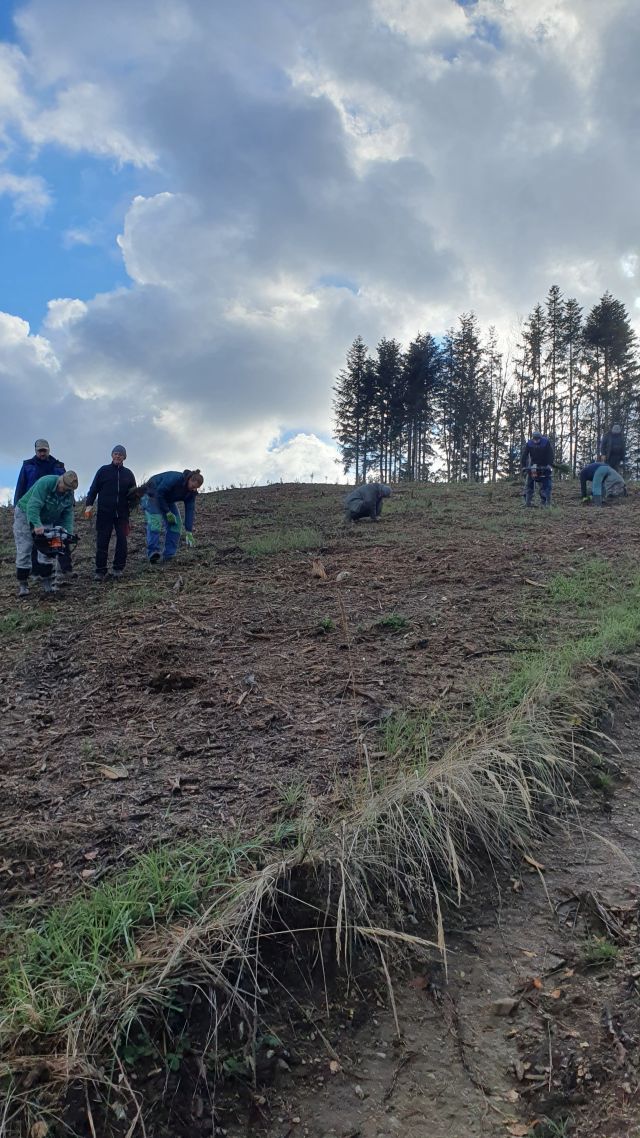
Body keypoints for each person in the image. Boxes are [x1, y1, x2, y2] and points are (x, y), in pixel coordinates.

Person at [13, 439, 72, 582]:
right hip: (28, 508)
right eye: (40, 451)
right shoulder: (28, 466)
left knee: (50, 543)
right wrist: (17, 506)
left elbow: (68, 511)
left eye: (44, 450)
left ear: (49, 450)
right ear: (35, 451)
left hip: (49, 510)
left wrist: (68, 532)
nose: (42, 453)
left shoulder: (58, 467)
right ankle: (28, 577)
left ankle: (50, 576)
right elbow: (22, 487)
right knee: (27, 544)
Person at [13, 471, 78, 597]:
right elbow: (33, 505)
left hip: (47, 518)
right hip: (25, 513)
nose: (64, 490)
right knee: (25, 548)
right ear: (60, 480)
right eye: (64, 486)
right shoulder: (46, 482)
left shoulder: (69, 494)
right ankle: (23, 584)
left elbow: (67, 514)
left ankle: (47, 583)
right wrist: (37, 525)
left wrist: (67, 533)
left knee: (48, 551)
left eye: (68, 489)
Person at [84, 445, 137, 581]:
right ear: (112, 455)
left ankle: (118, 569)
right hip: (104, 513)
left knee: (122, 541)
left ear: (124, 457)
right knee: (102, 541)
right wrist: (89, 505)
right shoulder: (103, 471)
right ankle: (100, 571)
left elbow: (133, 494)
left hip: (122, 514)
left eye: (120, 454)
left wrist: (136, 500)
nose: (118, 456)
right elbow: (93, 489)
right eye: (115, 453)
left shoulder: (128, 474)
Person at [139, 469, 204, 563]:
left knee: (176, 525)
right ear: (190, 479)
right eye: (193, 486)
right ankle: (153, 553)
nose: (194, 489)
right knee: (155, 522)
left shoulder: (191, 493)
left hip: (167, 500)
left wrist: (189, 531)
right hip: (152, 494)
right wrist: (168, 512)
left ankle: (169, 555)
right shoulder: (175, 478)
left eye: (196, 488)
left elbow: (190, 510)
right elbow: (159, 493)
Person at [521, 429, 554, 507]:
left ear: (540, 438)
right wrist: (524, 466)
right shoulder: (529, 444)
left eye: (537, 439)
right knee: (529, 484)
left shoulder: (546, 443)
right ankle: (528, 502)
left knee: (545, 485)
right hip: (533, 465)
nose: (536, 441)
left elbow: (550, 454)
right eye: (534, 439)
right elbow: (525, 455)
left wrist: (549, 464)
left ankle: (545, 503)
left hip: (544, 465)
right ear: (532, 438)